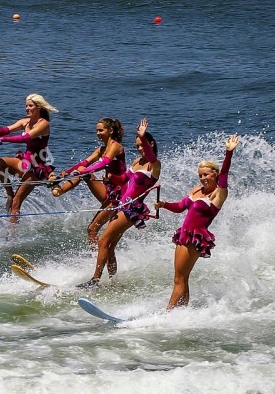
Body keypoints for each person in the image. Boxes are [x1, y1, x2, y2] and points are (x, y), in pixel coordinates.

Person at [154, 134, 240, 310]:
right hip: (183, 235)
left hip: (195, 238)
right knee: (181, 278)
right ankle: (180, 312)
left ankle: (168, 313)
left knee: (179, 279)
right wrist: (163, 205)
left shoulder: (219, 194)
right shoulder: (196, 190)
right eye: (200, 175)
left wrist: (228, 153)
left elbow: (224, 174)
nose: (203, 178)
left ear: (214, 175)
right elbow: (179, 207)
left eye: (206, 175)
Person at [78, 118, 161, 288]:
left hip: (132, 209)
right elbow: (123, 179)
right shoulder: (137, 162)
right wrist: (111, 177)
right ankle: (114, 282)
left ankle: (95, 280)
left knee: (103, 241)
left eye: (142, 145)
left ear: (150, 144)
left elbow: (151, 156)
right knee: (109, 247)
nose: (139, 148)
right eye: (137, 145)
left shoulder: (154, 165)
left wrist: (142, 136)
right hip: (121, 205)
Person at [50, 117, 127, 248]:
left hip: (119, 196)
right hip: (108, 191)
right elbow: (84, 163)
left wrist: (82, 172)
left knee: (92, 229)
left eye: (101, 130)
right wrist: (67, 172)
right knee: (82, 169)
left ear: (111, 130)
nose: (98, 133)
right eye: (96, 131)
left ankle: (94, 259)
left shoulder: (116, 146)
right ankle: (59, 191)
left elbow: (105, 162)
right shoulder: (101, 149)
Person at [0, 94, 58, 222]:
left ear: (39, 107)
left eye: (30, 106)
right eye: (26, 106)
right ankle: (9, 194)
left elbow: (25, 138)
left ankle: (12, 236)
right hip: (24, 163)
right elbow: (6, 130)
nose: (27, 108)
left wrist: (0, 139)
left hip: (35, 168)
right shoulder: (25, 122)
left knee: (16, 203)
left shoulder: (43, 124)